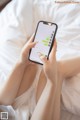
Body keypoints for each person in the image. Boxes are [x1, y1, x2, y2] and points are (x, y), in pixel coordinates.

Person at [0, 35, 80, 120]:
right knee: (56, 71)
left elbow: (3, 104)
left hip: (10, 109)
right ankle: (53, 78)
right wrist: (52, 82)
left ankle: (25, 61)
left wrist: (21, 62)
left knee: (31, 65)